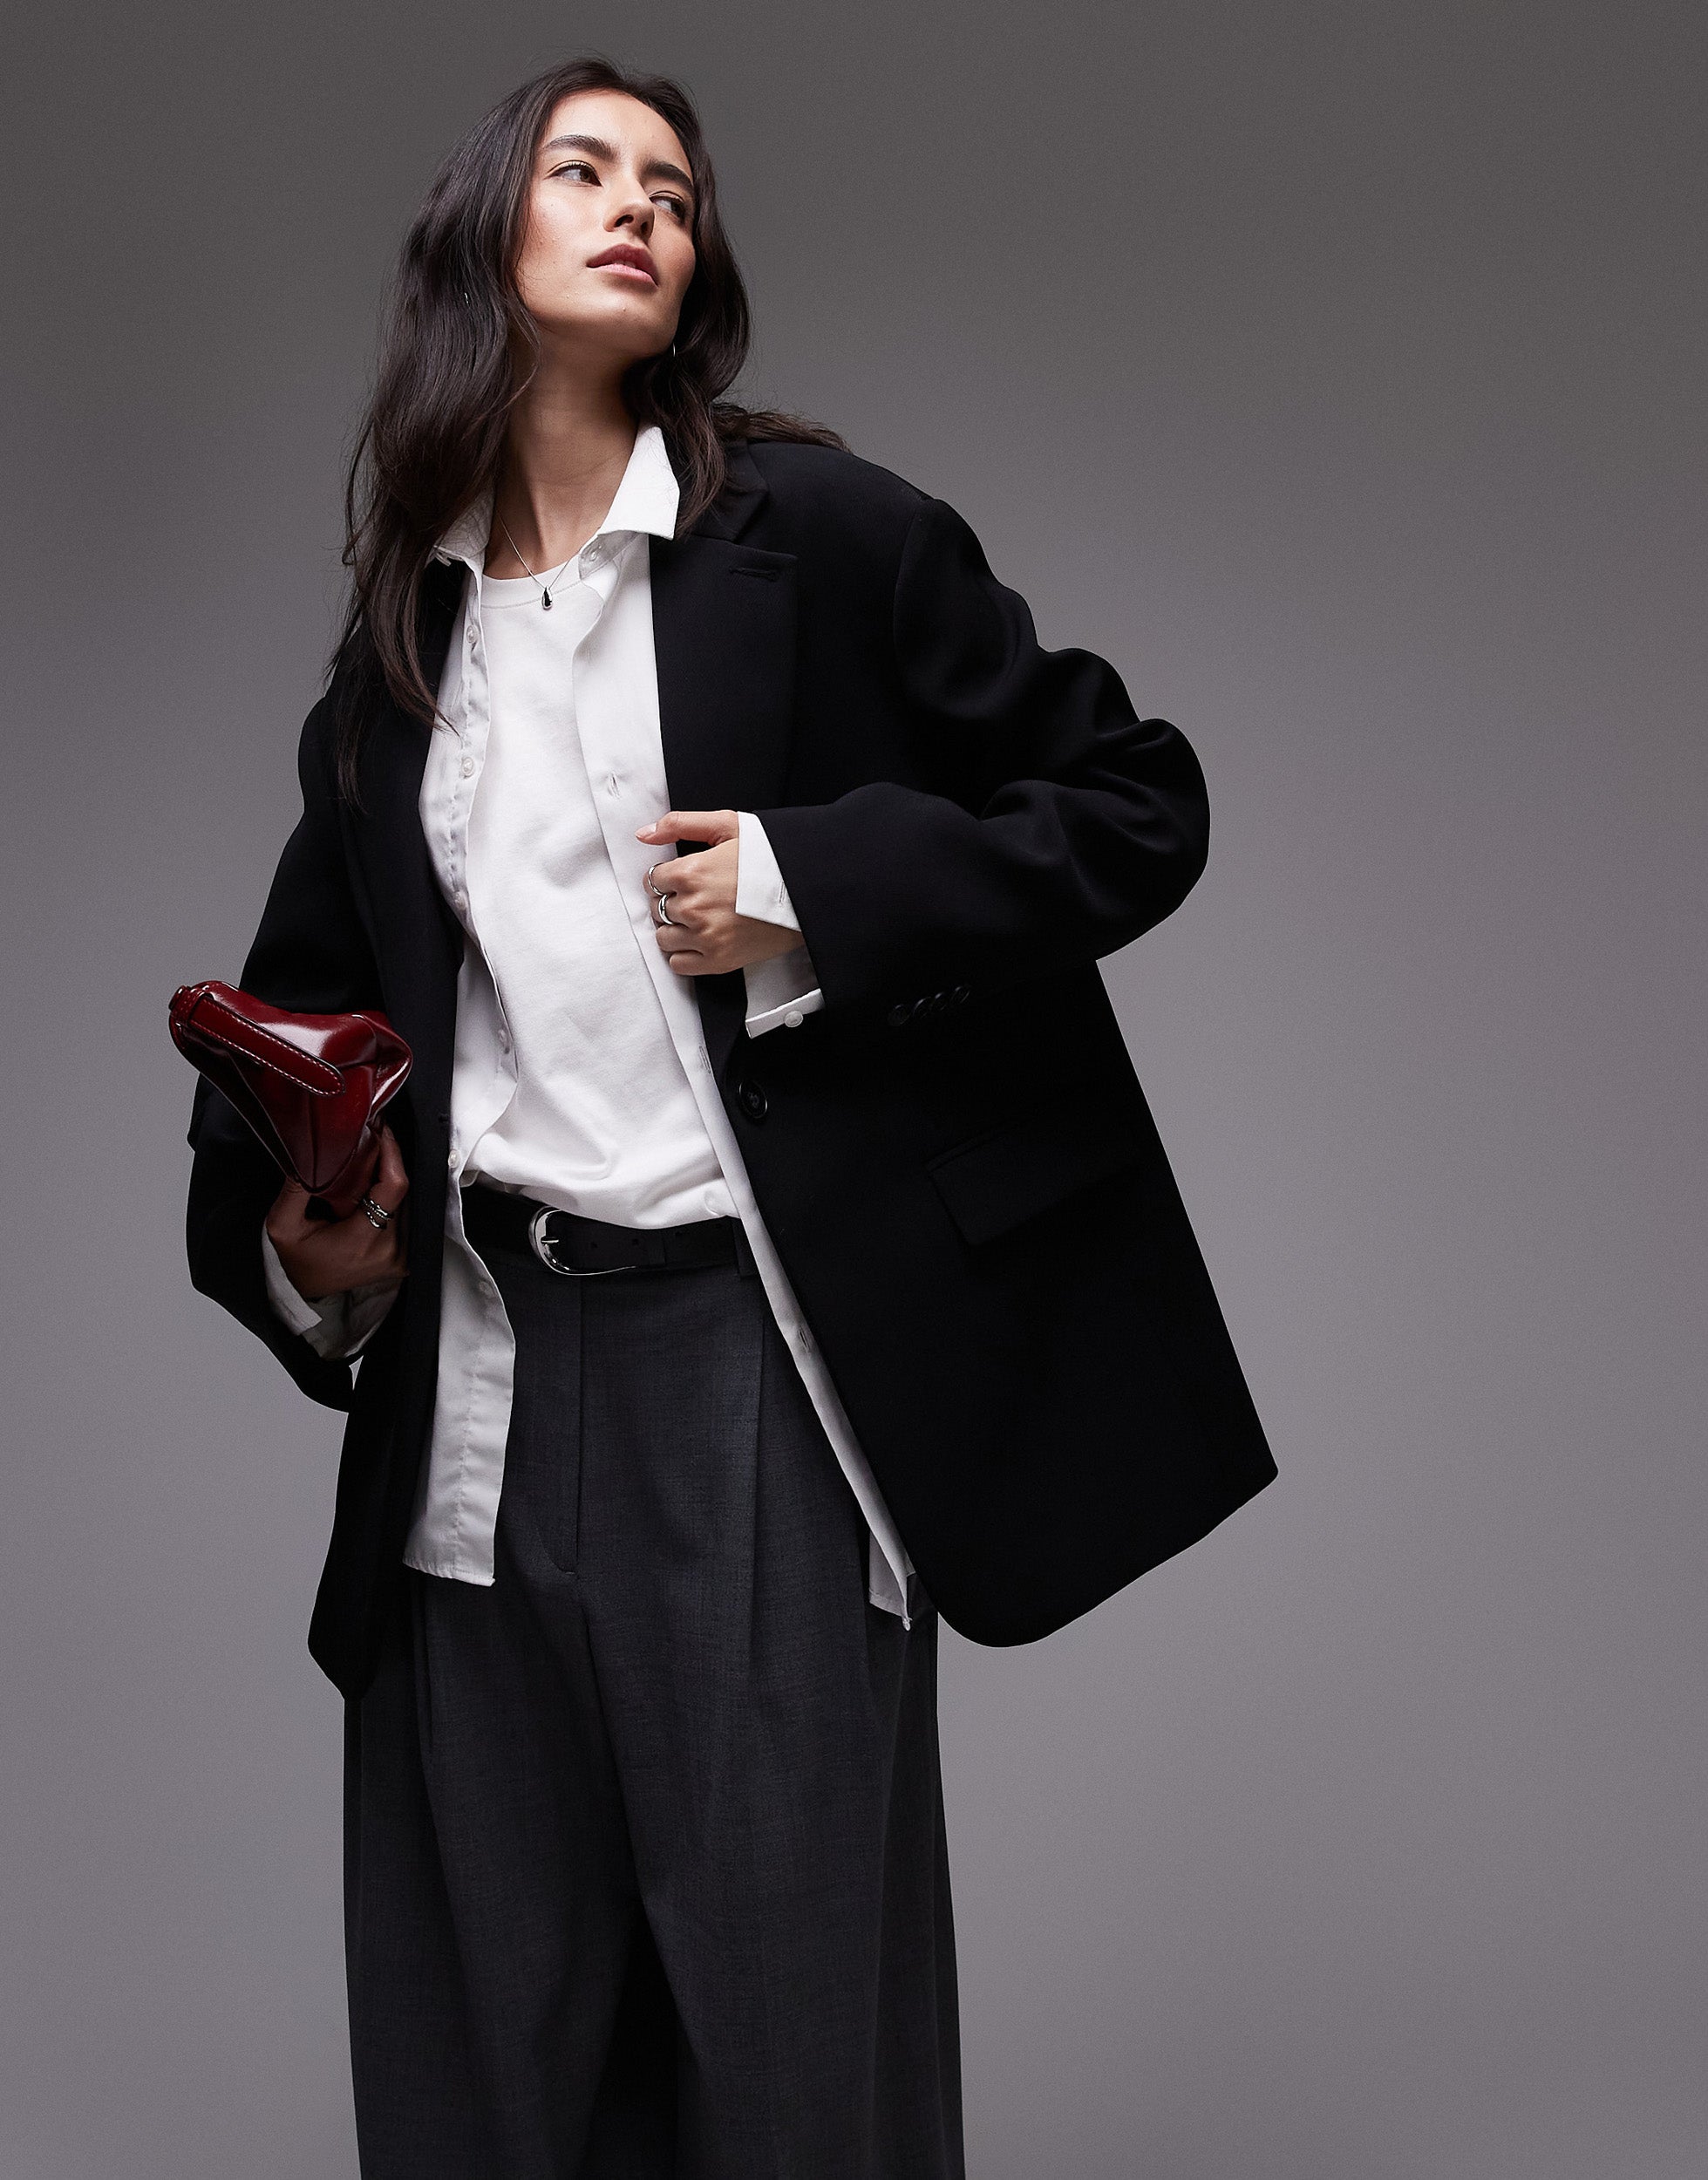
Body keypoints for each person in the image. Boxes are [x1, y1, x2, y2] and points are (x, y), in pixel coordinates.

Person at [184, 54, 1276, 2180]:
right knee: (482, 2054)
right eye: (583, 169)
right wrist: (313, 1251)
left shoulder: (827, 543)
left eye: (671, 191)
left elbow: (1140, 802)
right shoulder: (399, 656)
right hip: (473, 1393)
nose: (638, 209)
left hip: (758, 1364)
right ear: (478, 234)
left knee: (789, 2048)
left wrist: (808, 885)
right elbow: (303, 1024)